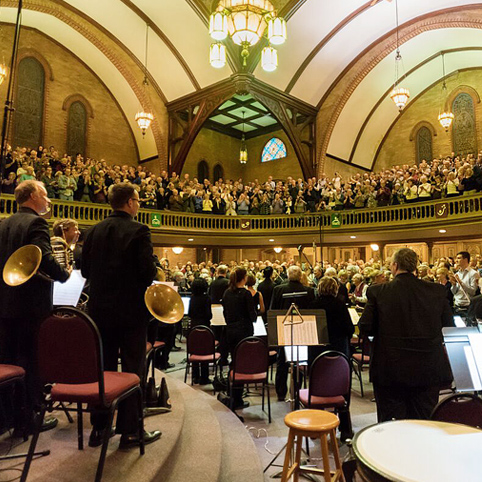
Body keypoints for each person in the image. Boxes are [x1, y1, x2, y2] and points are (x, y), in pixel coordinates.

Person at [81, 183, 161, 449]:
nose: (138, 205)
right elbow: (147, 272)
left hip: (99, 313)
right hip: (131, 314)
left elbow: (84, 272)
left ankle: (99, 429)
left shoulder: (93, 231)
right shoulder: (139, 230)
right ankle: (130, 431)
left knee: (102, 369)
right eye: (137, 201)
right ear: (129, 203)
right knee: (132, 369)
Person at [0, 180, 70, 434]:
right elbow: (45, 258)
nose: (48, 200)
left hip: (5, 304)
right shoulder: (36, 223)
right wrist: (64, 274)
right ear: (31, 196)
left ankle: (10, 417)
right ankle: (29, 417)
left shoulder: (4, 223)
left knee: (9, 360)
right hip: (30, 304)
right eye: (44, 194)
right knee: (31, 359)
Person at [359, 248, 454, 422]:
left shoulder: (379, 291)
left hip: (390, 370)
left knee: (391, 425)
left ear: (395, 265)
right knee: (424, 422)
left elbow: (365, 326)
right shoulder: (436, 291)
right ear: (415, 266)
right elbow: (449, 326)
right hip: (428, 369)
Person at [270, 265, 315, 401]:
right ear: (301, 276)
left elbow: (273, 310)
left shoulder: (278, 289)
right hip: (303, 329)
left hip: (284, 328)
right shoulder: (308, 291)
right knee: (299, 361)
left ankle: (281, 393)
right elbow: (312, 310)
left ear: (288, 275)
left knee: (282, 361)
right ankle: (296, 391)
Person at [222, 267, 257, 409]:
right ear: (244, 278)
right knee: (241, 363)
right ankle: (237, 399)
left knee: (234, 361)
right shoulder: (246, 294)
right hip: (244, 331)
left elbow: (225, 313)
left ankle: (232, 394)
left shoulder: (227, 293)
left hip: (230, 331)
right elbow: (252, 316)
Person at [188, 278, 213, 385]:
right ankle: (204, 377)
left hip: (194, 326)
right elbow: (209, 315)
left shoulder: (192, 298)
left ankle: (195, 376)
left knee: (195, 350)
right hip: (204, 326)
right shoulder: (206, 298)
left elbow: (190, 313)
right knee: (204, 351)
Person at [449, 251, 479, 319]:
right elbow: (454, 292)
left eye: (459, 258)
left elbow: (473, 291)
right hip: (457, 305)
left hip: (467, 306)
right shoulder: (457, 273)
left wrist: (461, 283)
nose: (456, 260)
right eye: (456, 258)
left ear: (465, 260)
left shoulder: (473, 274)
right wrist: (453, 285)